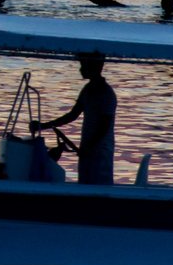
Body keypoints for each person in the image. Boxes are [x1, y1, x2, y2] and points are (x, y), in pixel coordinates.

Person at [33, 53, 117, 185]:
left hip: (100, 151)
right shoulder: (87, 90)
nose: (80, 69)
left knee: (98, 186)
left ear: (93, 67)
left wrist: (87, 147)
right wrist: (43, 126)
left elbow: (104, 127)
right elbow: (73, 114)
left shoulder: (107, 94)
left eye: (83, 65)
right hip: (86, 150)